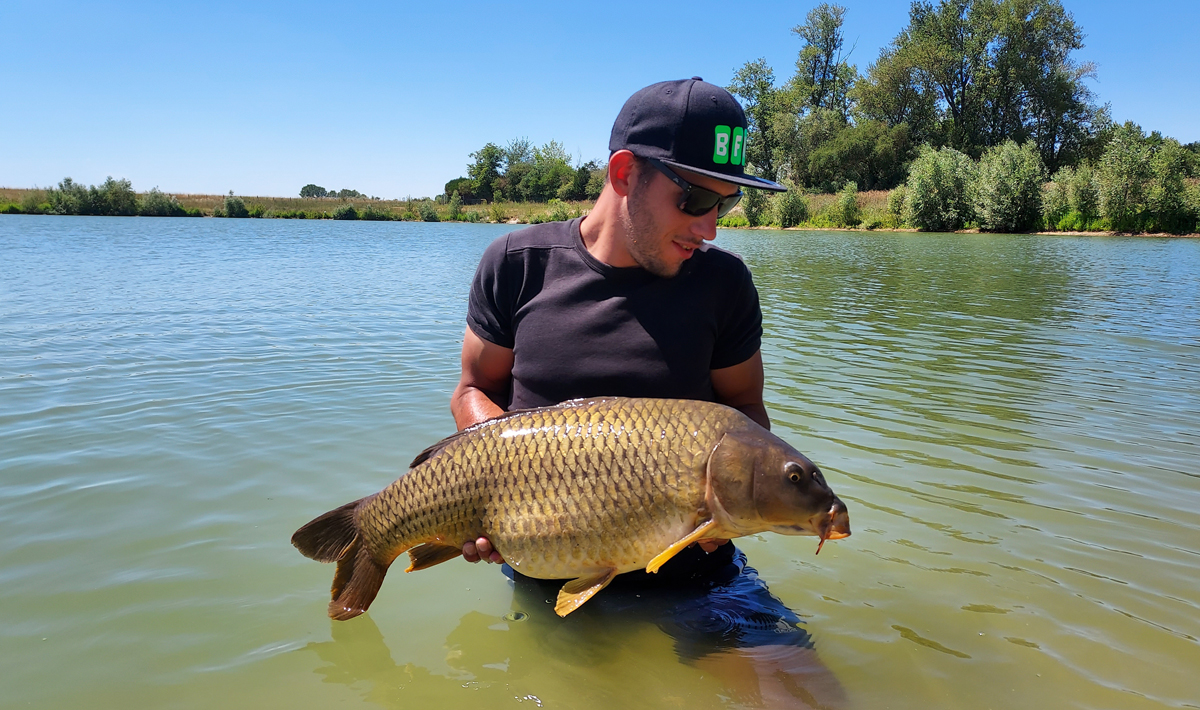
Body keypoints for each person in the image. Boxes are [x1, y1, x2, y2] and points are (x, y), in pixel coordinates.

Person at [448, 78, 844, 707]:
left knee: (810, 700)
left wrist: (734, 516)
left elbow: (747, 412)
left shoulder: (724, 285)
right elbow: (475, 388)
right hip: (555, 568)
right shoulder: (516, 265)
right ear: (626, 172)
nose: (709, 229)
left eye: (727, 205)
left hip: (701, 575)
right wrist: (488, 482)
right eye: (694, 199)